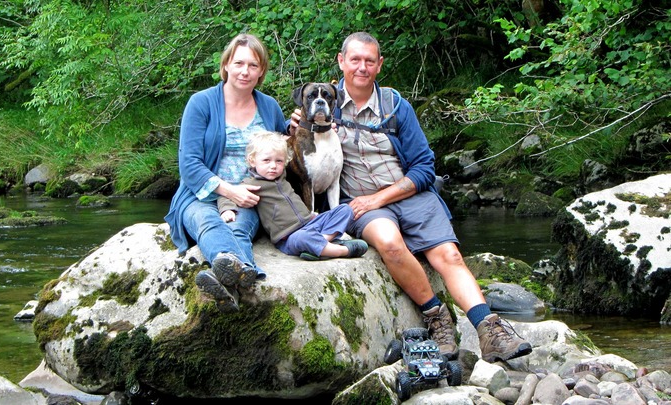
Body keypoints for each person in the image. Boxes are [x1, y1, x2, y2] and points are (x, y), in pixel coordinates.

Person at [289, 32, 532, 363]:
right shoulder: (323, 102)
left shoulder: (395, 106)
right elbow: (294, 148)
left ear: (379, 65)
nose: (362, 67)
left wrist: (381, 198)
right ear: (341, 61)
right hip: (360, 202)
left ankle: (490, 330)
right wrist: (293, 124)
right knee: (390, 243)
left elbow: (424, 167)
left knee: (449, 254)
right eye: (355, 60)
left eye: (369, 61)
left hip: (407, 193)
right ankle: (437, 319)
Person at [164, 33, 288, 314]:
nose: (245, 71)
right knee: (208, 221)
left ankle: (225, 281)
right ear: (226, 65)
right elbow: (189, 164)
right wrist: (230, 191)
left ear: (262, 71)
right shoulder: (201, 103)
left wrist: (306, 127)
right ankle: (241, 269)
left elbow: (283, 152)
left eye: (253, 65)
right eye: (239, 63)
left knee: (237, 228)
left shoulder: (269, 107)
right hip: (200, 195)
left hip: (252, 197)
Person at [217, 131, 368, 261]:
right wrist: (227, 210)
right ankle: (343, 250)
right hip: (289, 236)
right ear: (252, 161)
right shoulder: (252, 184)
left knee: (345, 210)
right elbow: (228, 195)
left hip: (309, 223)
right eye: (266, 160)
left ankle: (321, 242)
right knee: (303, 238)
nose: (273, 166)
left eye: (279, 161)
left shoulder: (283, 176)